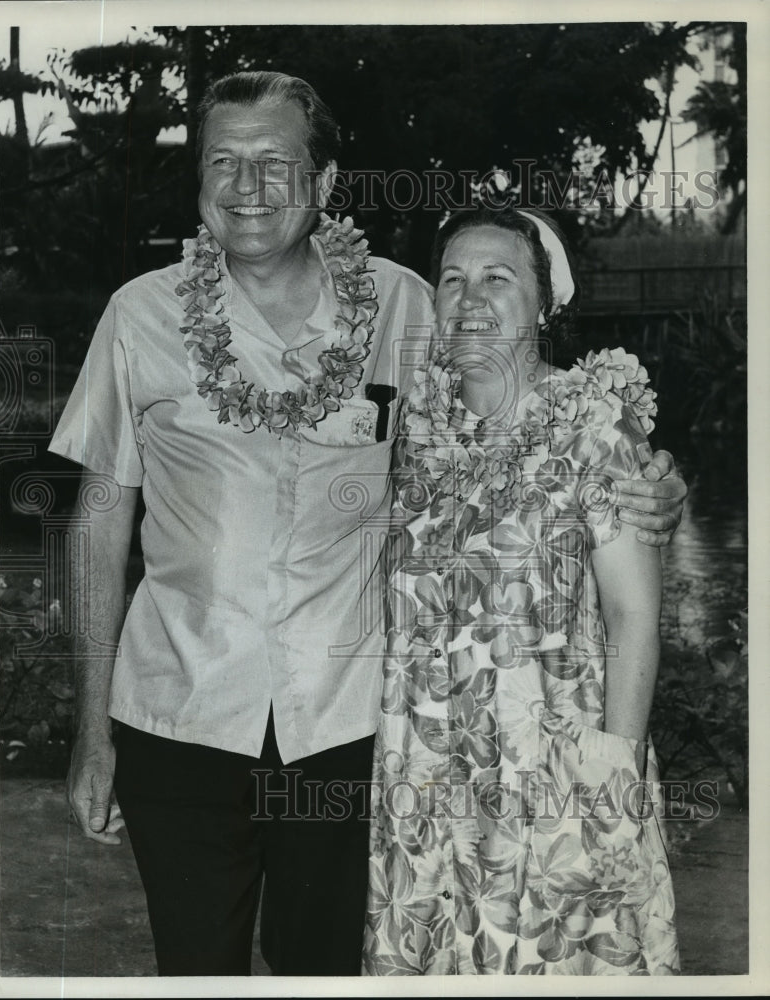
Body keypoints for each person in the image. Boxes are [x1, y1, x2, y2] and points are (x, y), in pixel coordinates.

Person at [50, 71, 685, 977]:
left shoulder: (401, 305)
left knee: (331, 973)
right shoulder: (137, 315)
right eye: (222, 163)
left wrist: (648, 482)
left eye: (274, 163)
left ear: (327, 182)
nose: (246, 188)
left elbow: (523, 402)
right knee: (194, 971)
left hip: (346, 734)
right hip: (176, 717)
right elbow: (97, 525)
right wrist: (89, 730)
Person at [363, 206, 680, 976]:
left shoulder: (594, 427)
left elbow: (632, 616)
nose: (469, 298)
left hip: (557, 773)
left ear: (544, 302)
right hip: (427, 778)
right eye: (451, 279)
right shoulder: (412, 430)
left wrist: (615, 766)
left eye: (497, 279)